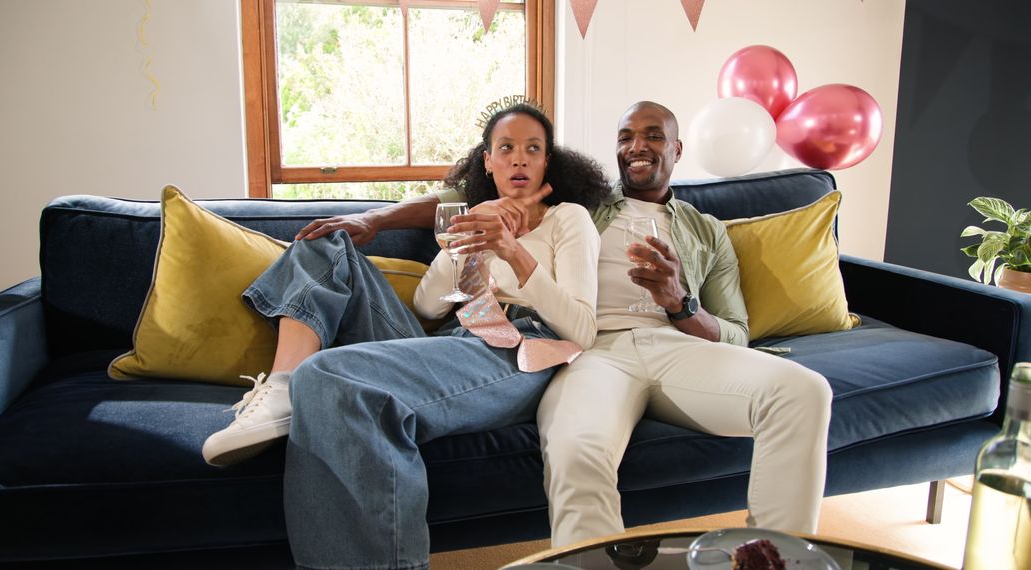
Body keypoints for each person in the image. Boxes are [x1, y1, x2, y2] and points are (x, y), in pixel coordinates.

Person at [307, 101, 833, 549]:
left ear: (677, 150)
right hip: (589, 353)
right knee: (577, 451)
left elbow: (737, 332)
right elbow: (460, 203)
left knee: (804, 391)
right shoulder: (582, 201)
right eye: (625, 137)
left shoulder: (708, 231)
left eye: (654, 136)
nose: (637, 146)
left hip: (676, 345)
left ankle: (778, 558)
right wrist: (376, 219)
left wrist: (681, 303)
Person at [202, 103, 611, 569]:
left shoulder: (568, 218)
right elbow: (428, 307)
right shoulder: (476, 216)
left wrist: (512, 250)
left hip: (521, 347)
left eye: (533, 149)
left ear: (546, 161)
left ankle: (300, 386)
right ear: (488, 162)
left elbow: (581, 330)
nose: (519, 158)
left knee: (326, 376)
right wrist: (469, 240)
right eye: (507, 148)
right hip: (456, 335)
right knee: (326, 243)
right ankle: (280, 386)